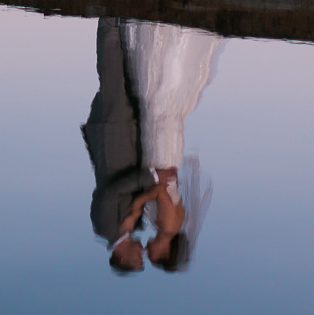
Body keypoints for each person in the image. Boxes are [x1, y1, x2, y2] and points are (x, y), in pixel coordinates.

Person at [83, 17, 218, 274]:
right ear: (166, 252)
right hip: (155, 155)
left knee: (124, 79)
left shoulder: (107, 228)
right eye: (152, 257)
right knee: (152, 98)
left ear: (123, 259)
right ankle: (120, 23)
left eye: (141, 259)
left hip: (119, 137)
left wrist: (138, 205)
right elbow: (159, 188)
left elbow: (118, 193)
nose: (146, 252)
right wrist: (138, 203)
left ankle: (112, 21)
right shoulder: (167, 225)